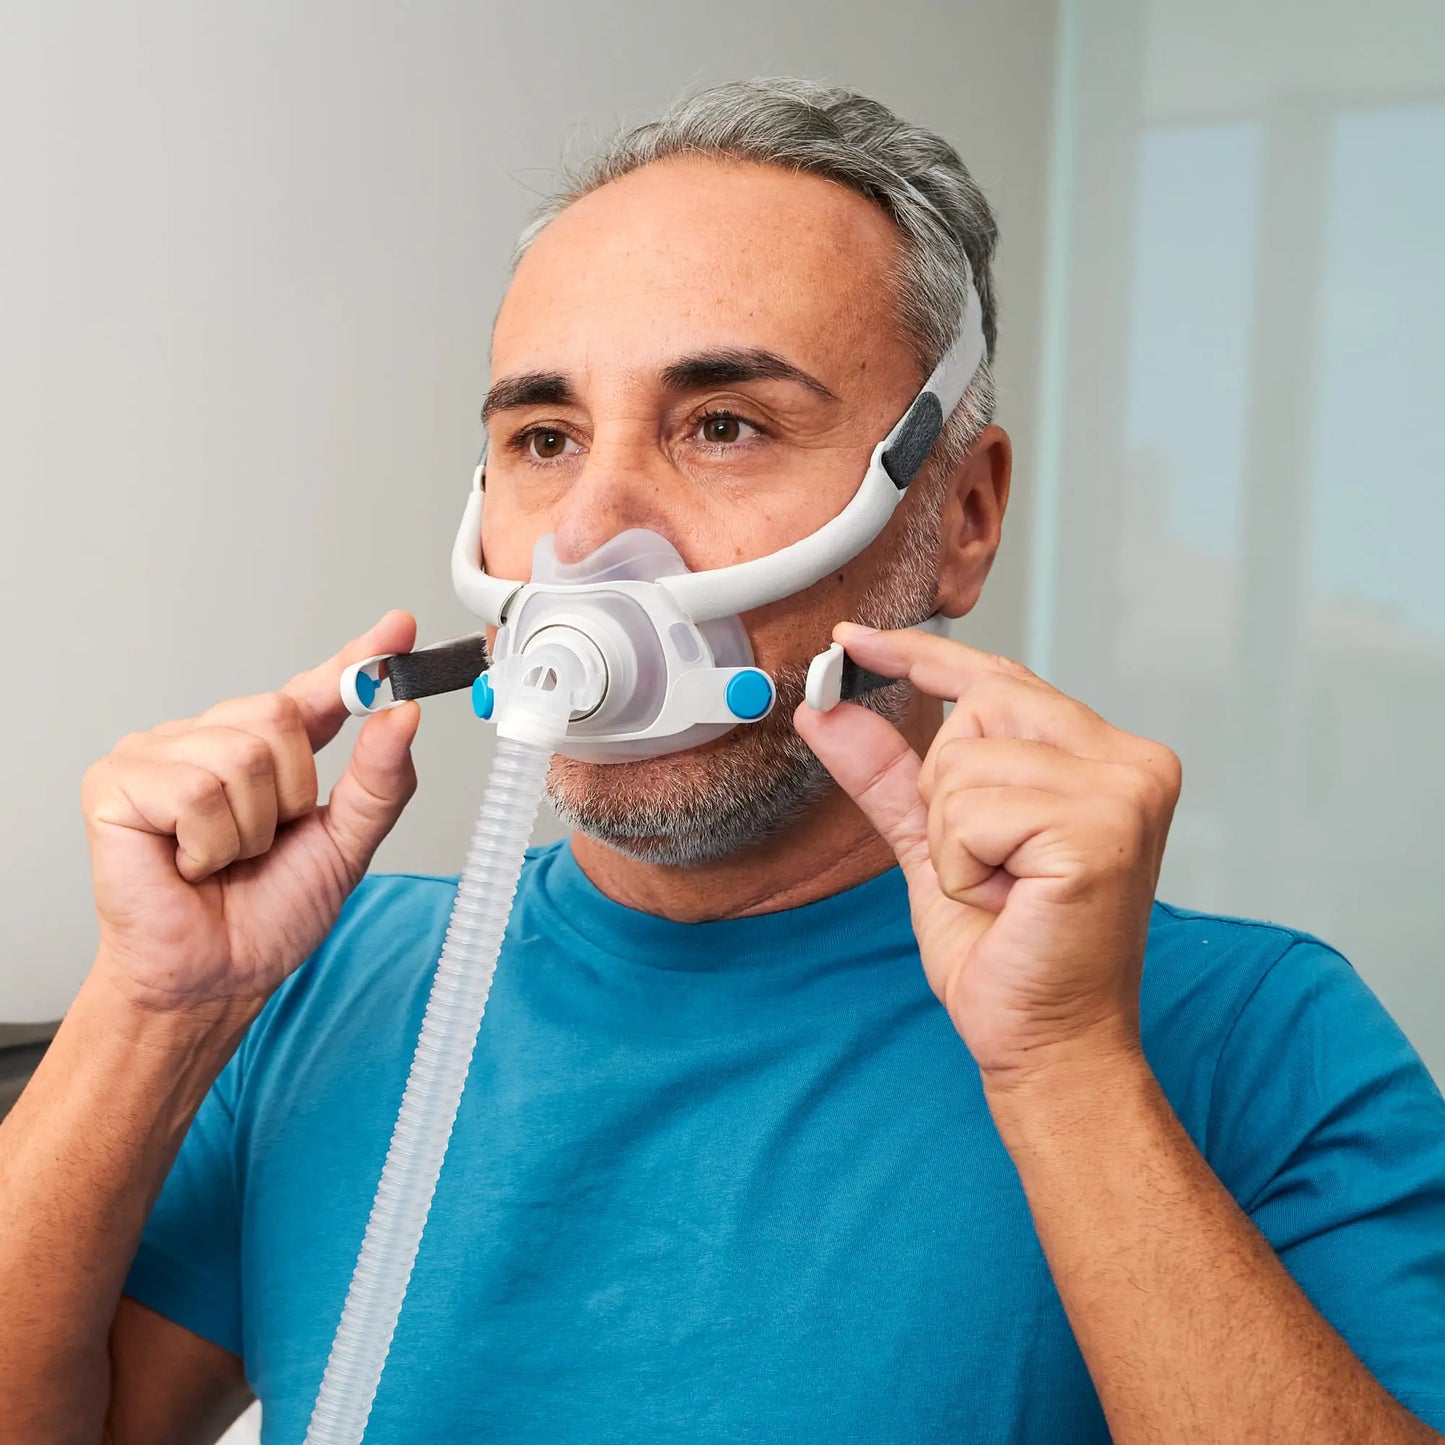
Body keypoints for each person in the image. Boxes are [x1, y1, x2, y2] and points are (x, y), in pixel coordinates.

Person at [2, 78, 1442, 1445]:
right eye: (545, 436)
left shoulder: (1249, 1039)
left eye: (724, 425)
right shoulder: (321, 991)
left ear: (960, 512)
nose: (590, 536)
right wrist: (150, 1009)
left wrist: (1065, 1068)